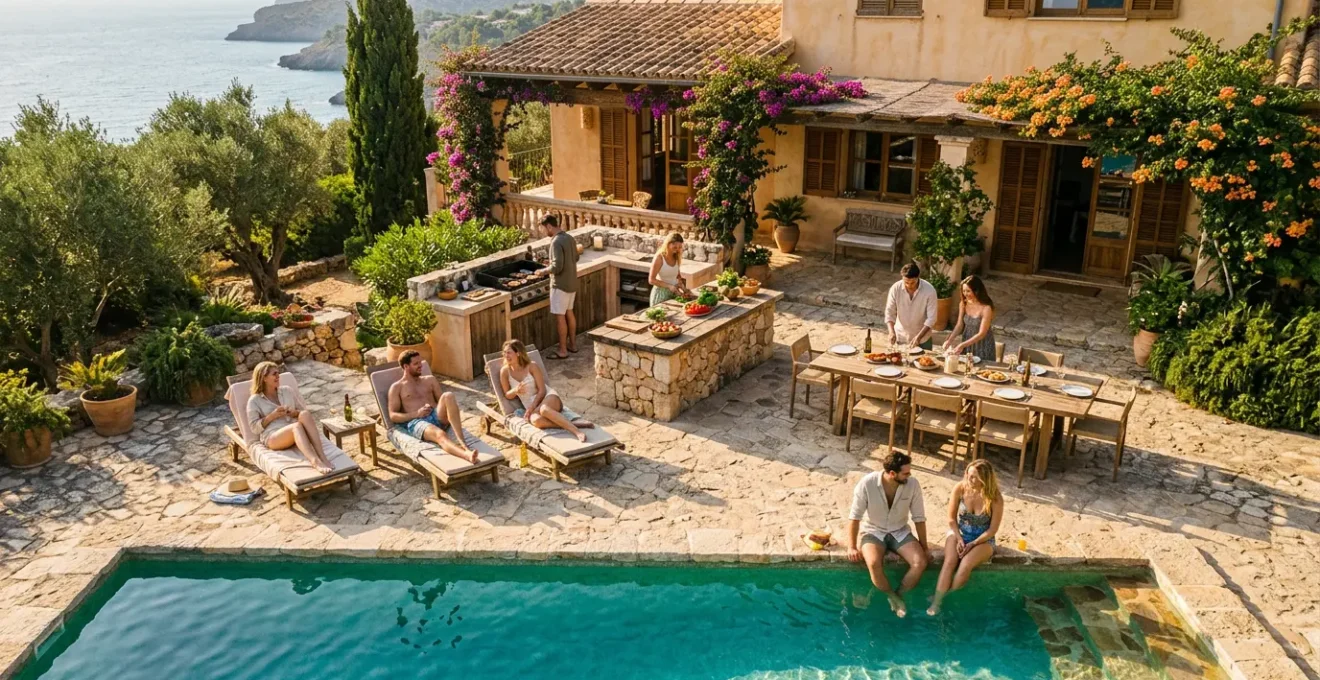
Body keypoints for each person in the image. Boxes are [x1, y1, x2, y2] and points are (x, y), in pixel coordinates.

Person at [847, 451, 930, 618]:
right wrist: (851, 547)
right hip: (873, 531)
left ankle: (898, 594)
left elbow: (919, 518)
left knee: (920, 562)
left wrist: (925, 548)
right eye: (905, 473)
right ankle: (891, 596)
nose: (909, 475)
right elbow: (854, 517)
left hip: (900, 531)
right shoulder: (867, 483)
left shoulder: (912, 484)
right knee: (873, 563)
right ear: (892, 474)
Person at [927, 459, 1003, 616]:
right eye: (969, 475)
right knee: (949, 561)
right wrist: (960, 538)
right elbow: (950, 519)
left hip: (983, 539)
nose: (970, 480)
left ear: (984, 479)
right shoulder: (960, 488)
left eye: (974, 477)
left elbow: (993, 529)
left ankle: (945, 598)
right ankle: (936, 602)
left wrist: (973, 543)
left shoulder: (995, 497)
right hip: (958, 532)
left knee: (966, 564)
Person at [387, 350, 477, 463]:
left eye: (420, 362)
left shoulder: (430, 380)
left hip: (435, 414)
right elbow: (393, 416)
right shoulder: (397, 387)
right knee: (440, 434)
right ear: (406, 366)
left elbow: (442, 402)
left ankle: (463, 442)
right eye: (416, 364)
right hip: (417, 421)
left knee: (448, 395)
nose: (420, 366)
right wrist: (416, 413)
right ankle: (466, 455)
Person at [246, 361, 334, 474]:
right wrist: (272, 416)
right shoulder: (255, 400)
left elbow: (302, 411)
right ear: (264, 378)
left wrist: (294, 413)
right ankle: (315, 461)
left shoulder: (287, 390)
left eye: (278, 373)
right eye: (274, 374)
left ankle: (322, 456)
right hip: (273, 437)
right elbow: (254, 428)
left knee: (305, 414)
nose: (278, 376)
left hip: (296, 433)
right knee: (295, 426)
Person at [498, 339, 593, 442]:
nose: (505, 355)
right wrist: (515, 390)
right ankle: (572, 423)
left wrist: (533, 408)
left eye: (509, 352)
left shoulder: (532, 366)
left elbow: (542, 390)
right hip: (531, 406)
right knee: (536, 420)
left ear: (518, 353)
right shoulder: (505, 371)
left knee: (544, 409)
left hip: (548, 397)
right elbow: (507, 395)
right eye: (504, 352)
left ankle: (577, 431)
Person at [537, 214, 578, 360]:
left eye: (542, 229)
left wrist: (543, 271)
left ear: (549, 226)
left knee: (560, 317)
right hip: (572, 282)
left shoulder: (555, 242)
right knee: (570, 313)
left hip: (560, 285)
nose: (542, 232)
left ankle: (562, 350)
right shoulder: (569, 238)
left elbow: (557, 267)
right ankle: (573, 345)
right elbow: (575, 258)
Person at [885, 262, 938, 350]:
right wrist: (891, 332)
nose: (909, 285)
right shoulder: (895, 288)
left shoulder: (929, 290)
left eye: (912, 282)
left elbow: (932, 318)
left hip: (923, 340)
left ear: (918, 277)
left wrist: (918, 337)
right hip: (900, 337)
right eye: (906, 282)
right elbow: (889, 312)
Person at [942, 275, 997, 360]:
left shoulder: (986, 308)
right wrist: (949, 340)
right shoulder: (963, 304)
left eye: (968, 291)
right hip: (967, 342)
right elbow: (959, 325)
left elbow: (982, 334)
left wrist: (962, 345)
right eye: (963, 291)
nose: (965, 294)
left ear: (977, 291)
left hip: (983, 344)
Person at [648, 232, 690, 306]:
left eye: (679, 247)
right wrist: (669, 286)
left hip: (673, 294)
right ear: (668, 244)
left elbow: (677, 276)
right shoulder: (660, 258)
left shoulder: (676, 257)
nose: (677, 250)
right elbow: (651, 280)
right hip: (660, 295)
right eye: (675, 247)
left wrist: (683, 288)